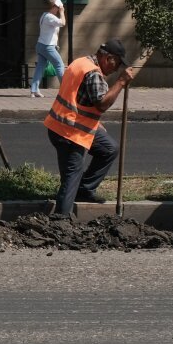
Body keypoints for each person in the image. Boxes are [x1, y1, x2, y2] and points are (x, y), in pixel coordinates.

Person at [43, 39, 138, 218]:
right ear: (108, 58)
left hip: (66, 125)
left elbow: (81, 99)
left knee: (109, 148)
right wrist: (121, 82)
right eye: (117, 63)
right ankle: (61, 219)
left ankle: (84, 190)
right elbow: (101, 104)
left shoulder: (81, 62)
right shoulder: (93, 73)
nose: (116, 68)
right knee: (72, 175)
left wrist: (95, 124)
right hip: (70, 132)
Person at [31, 0, 66, 97]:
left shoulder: (44, 15)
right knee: (59, 65)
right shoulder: (50, 17)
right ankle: (65, 90)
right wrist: (62, 12)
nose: (60, 8)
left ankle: (34, 90)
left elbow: (52, 32)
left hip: (41, 45)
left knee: (40, 67)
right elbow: (63, 23)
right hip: (47, 47)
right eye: (59, 7)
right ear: (54, 7)